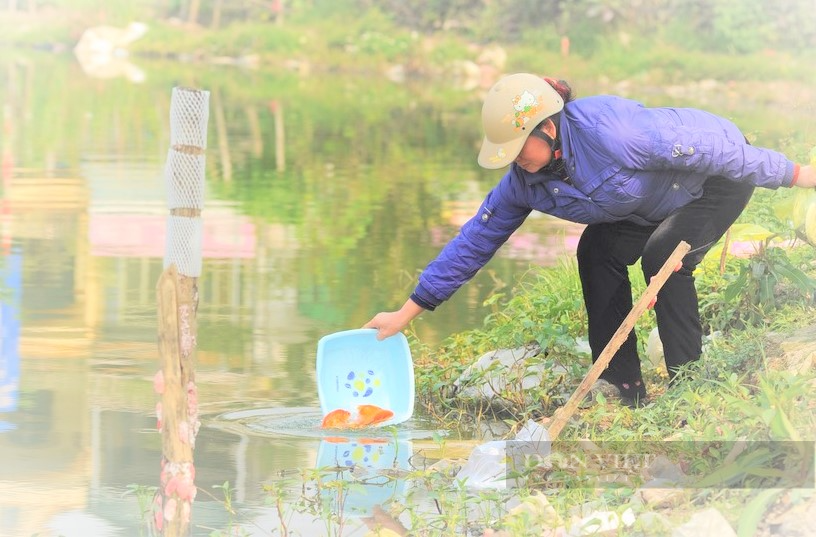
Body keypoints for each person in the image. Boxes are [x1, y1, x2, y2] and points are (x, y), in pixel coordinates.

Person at [364, 73, 816, 405]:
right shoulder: (524, 181)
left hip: (712, 180)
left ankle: (689, 385)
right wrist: (407, 313)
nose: (517, 160)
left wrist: (799, 175)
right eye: (509, 153)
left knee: (664, 257)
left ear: (549, 127)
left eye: (521, 148)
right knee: (597, 250)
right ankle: (623, 385)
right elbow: (475, 241)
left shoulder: (613, 132)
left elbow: (717, 151)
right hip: (643, 206)